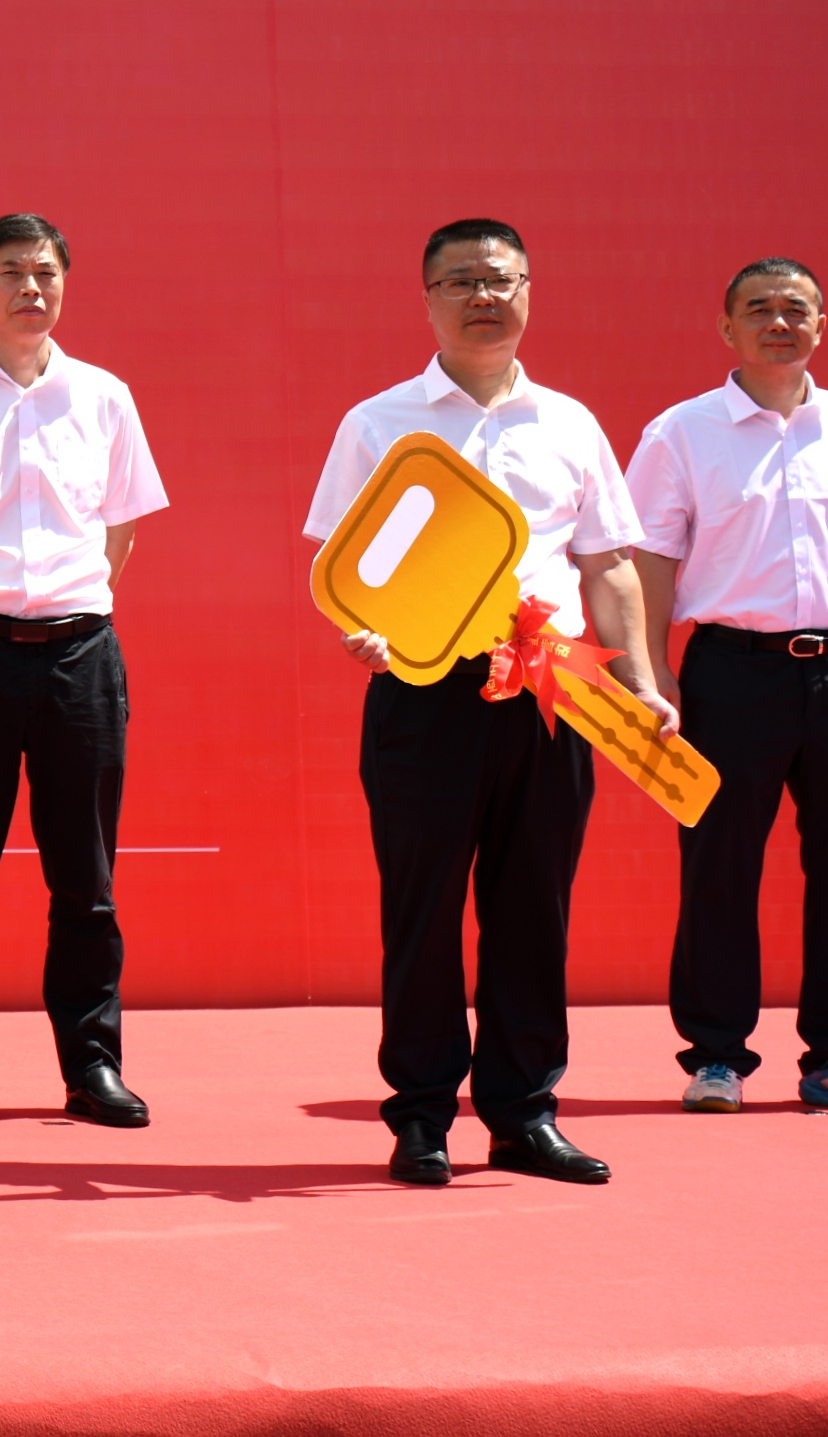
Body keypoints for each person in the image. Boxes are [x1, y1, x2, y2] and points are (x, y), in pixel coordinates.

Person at [305, 218, 670, 1188]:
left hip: (551, 690)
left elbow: (607, 565)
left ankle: (523, 1116)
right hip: (425, 691)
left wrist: (638, 680)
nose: (482, 297)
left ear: (527, 292)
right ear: (426, 298)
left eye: (500, 279)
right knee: (420, 910)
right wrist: (365, 634)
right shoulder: (378, 423)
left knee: (532, 907)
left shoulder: (569, 424)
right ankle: (420, 1116)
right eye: (460, 280)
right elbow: (345, 567)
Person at [627, 258, 828, 1115]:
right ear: (725, 328)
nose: (778, 322)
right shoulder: (681, 433)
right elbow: (648, 561)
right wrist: (652, 673)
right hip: (731, 671)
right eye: (758, 308)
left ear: (820, 326)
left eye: (795, 308)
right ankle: (716, 1057)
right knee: (719, 862)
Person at [0, 213, 169, 1130]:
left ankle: (92, 1067)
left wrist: (64, 608)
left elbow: (119, 528)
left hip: (79, 656)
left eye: (45, 272)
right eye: (10, 271)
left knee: (84, 880)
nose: (30, 288)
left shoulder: (104, 397)